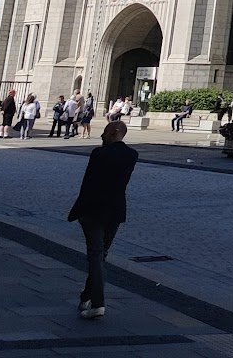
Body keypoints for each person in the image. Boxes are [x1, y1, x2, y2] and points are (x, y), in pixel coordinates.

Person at [67, 118, 139, 321]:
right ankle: (87, 297)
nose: (101, 136)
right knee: (100, 255)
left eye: (105, 132)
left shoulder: (99, 154)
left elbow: (88, 183)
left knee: (96, 255)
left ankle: (98, 303)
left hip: (93, 211)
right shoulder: (132, 155)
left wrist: (77, 212)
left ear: (115, 132)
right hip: (115, 211)